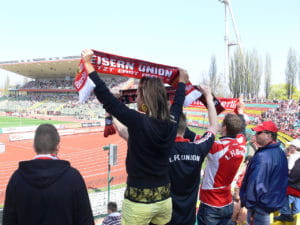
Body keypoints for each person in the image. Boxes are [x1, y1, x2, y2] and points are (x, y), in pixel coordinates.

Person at [81, 49, 189, 225]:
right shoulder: (172, 121)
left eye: (138, 94)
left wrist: (88, 65)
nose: (136, 97)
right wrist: (182, 81)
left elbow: (106, 97)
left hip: (139, 202)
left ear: (145, 98)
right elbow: (178, 102)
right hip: (164, 200)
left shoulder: (139, 121)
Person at [2, 124, 94, 225]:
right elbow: (86, 220)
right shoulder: (74, 177)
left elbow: (8, 221)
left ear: (34, 146)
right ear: (58, 146)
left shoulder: (16, 179)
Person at [166, 85, 218, 225]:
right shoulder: (198, 148)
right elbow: (213, 127)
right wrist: (208, 96)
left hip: (166, 219)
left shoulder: (161, 150)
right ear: (185, 126)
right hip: (188, 219)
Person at [196, 103, 247, 225]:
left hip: (211, 205)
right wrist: (240, 112)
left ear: (224, 128)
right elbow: (242, 131)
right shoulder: (242, 144)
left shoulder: (216, 147)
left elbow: (191, 136)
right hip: (227, 203)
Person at [240, 121, 289, 225]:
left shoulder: (264, 156)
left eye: (259, 132)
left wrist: (249, 203)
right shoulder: (280, 152)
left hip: (259, 207)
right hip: (269, 203)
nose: (255, 135)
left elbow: (257, 184)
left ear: (268, 135)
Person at [274, 143, 300, 222]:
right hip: (297, 186)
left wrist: (288, 180)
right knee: (296, 200)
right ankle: (296, 214)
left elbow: (295, 172)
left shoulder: (295, 157)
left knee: (281, 192)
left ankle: (285, 214)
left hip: (294, 186)